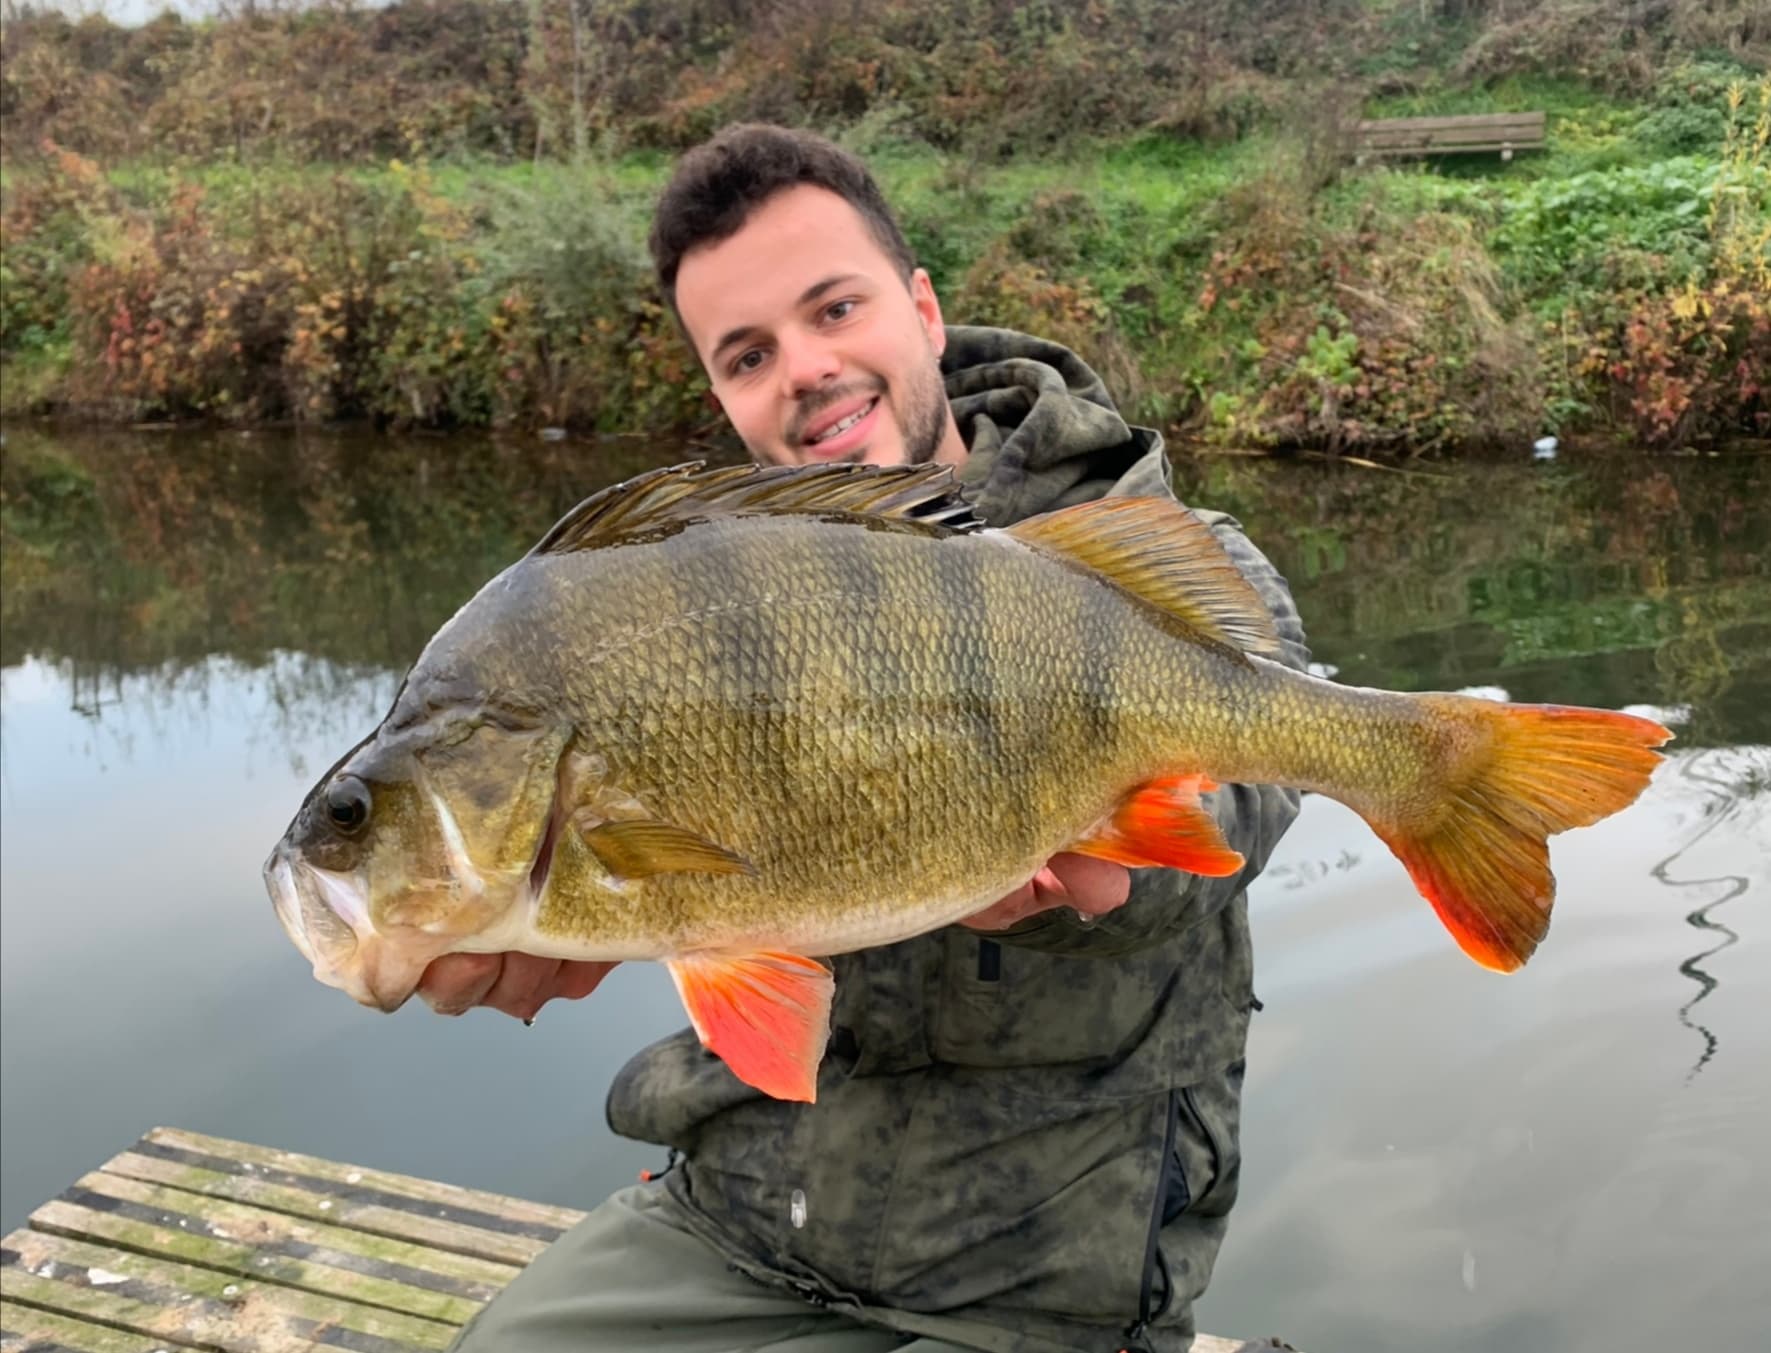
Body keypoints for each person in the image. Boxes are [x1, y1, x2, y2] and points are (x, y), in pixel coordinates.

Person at [429, 124, 1310, 1353]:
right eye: (745, 354)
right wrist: (559, 912)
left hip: (1040, 1277)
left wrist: (1116, 867)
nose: (802, 368)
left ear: (923, 308)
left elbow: (1244, 797)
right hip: (738, 1218)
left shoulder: (1145, 547)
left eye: (833, 308)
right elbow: (723, 947)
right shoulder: (703, 590)